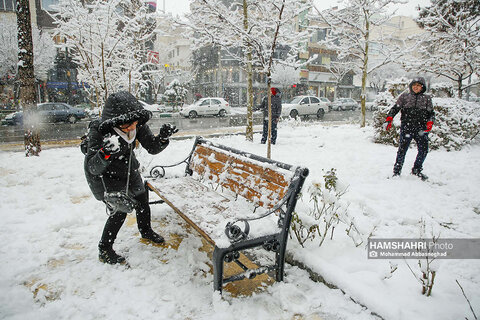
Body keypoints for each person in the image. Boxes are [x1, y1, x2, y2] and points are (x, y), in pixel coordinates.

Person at [84, 91, 178, 264]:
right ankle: (104, 249)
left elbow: (152, 147)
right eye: (127, 125)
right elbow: (92, 167)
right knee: (119, 211)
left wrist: (163, 138)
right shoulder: (99, 131)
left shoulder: (136, 123)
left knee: (142, 199)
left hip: (129, 171)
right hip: (107, 176)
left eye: (135, 123)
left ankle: (145, 230)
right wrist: (105, 153)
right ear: (115, 121)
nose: (132, 128)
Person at [384, 77, 435, 180]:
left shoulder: (426, 99)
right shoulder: (404, 97)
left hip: (421, 128)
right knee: (402, 150)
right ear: (411, 86)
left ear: (422, 87)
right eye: (414, 85)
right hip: (407, 127)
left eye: (418, 85)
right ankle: (397, 172)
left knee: (423, 150)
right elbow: (395, 108)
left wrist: (430, 122)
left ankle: (417, 169)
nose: (416, 87)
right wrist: (389, 119)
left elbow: (431, 113)